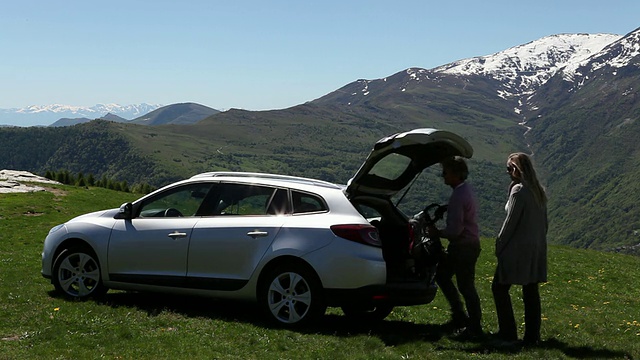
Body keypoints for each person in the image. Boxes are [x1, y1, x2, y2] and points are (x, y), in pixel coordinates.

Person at [492, 152, 548, 347]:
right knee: (530, 290)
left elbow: (510, 223)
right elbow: (545, 224)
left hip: (517, 249)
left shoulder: (519, 191)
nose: (508, 173)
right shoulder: (537, 190)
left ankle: (508, 332)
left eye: (509, 168)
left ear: (516, 170)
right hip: (536, 248)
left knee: (499, 287)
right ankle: (532, 335)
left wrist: (499, 245)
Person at [428, 156, 482, 337]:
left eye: (446, 172)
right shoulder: (465, 190)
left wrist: (437, 233)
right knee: (444, 276)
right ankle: (461, 317)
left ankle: (472, 326)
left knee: (465, 286)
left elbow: (455, 231)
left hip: (463, 247)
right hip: (469, 245)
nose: (443, 175)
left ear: (456, 174)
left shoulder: (458, 196)